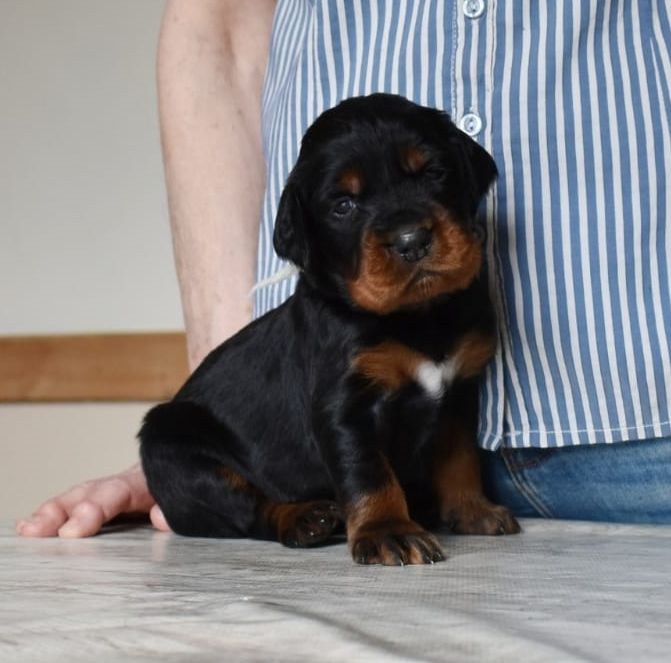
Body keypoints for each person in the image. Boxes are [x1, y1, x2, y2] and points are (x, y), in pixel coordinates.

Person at [17, 0, 671, 538]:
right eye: (346, 202)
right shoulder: (344, 331)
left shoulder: (464, 325)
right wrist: (213, 475)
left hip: (646, 420)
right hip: (349, 494)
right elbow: (221, 19)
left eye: (432, 176)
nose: (406, 230)